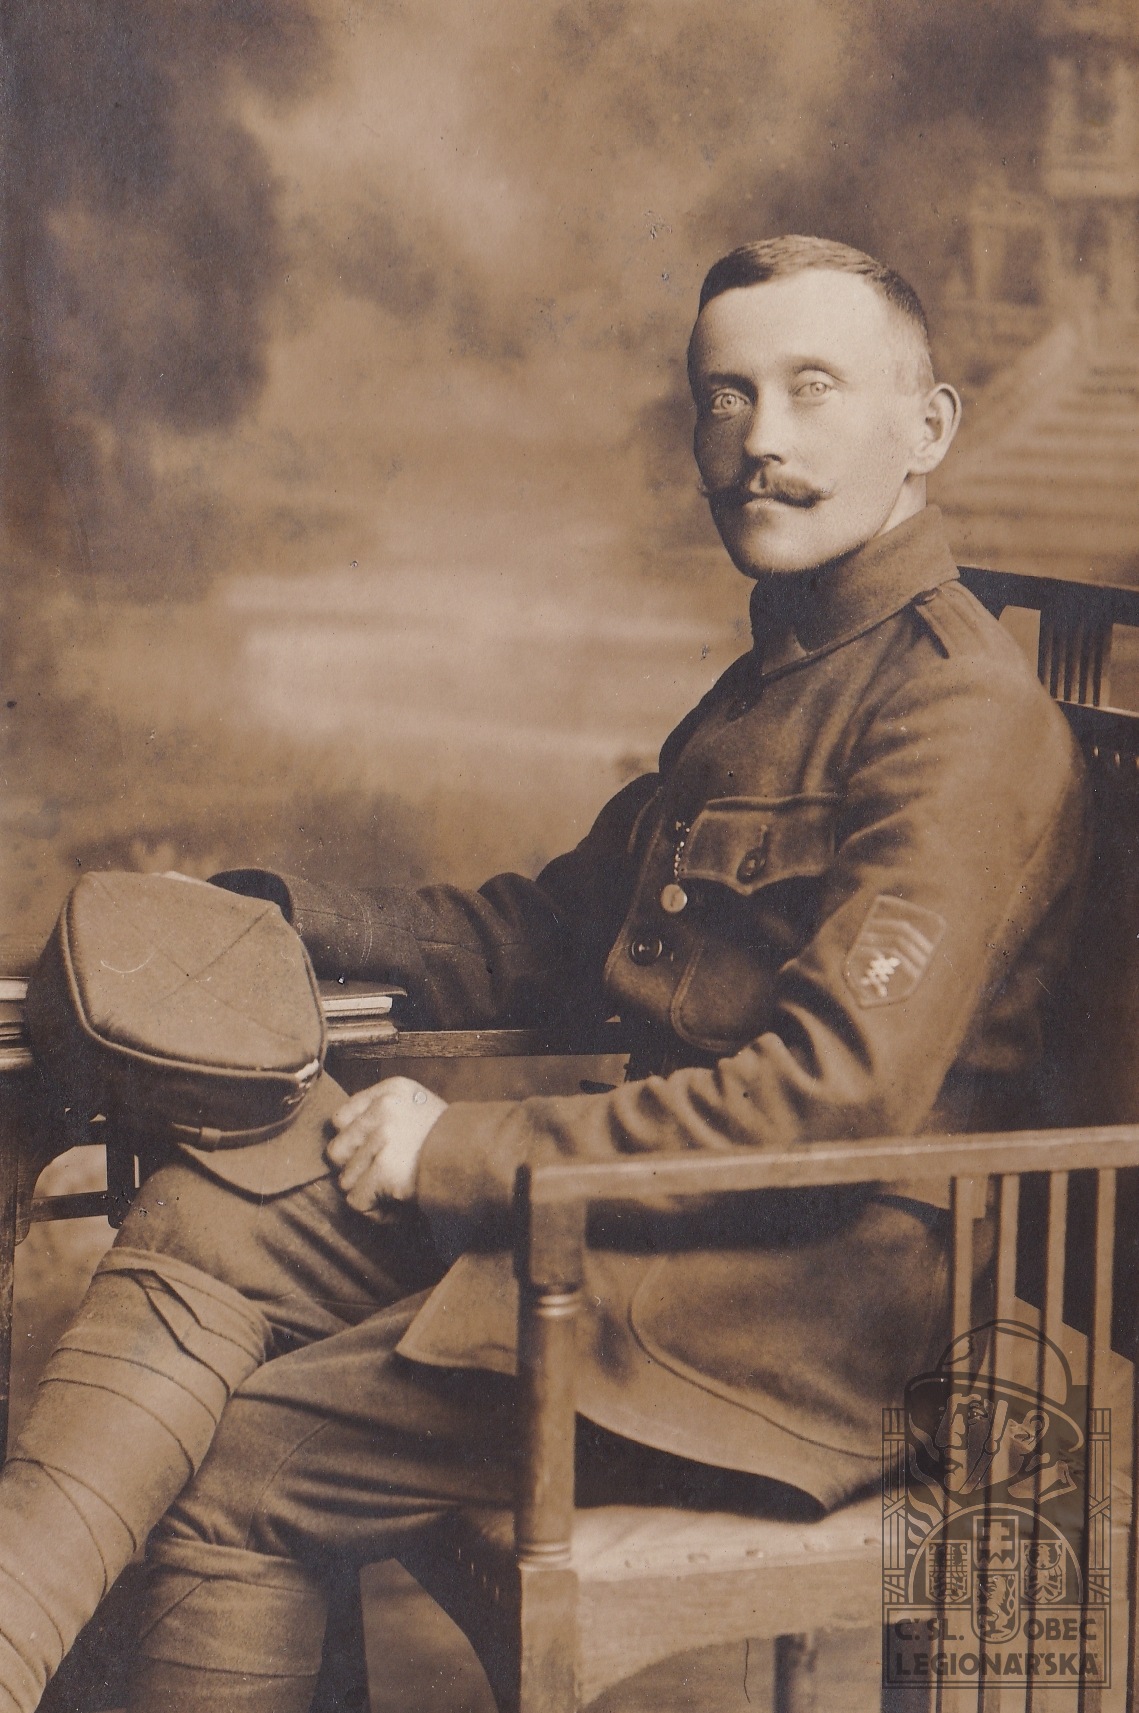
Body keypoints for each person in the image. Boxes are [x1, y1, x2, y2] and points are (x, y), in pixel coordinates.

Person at [0, 236, 1086, 1712]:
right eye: (725, 396)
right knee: (205, 1217)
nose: (760, 439)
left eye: (813, 387)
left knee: (242, 1463)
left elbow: (827, 1103)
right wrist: (269, 918)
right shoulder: (776, 682)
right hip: (659, 1242)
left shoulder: (957, 716)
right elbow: (555, 930)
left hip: (807, 1322)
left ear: (931, 427)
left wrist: (462, 1152)